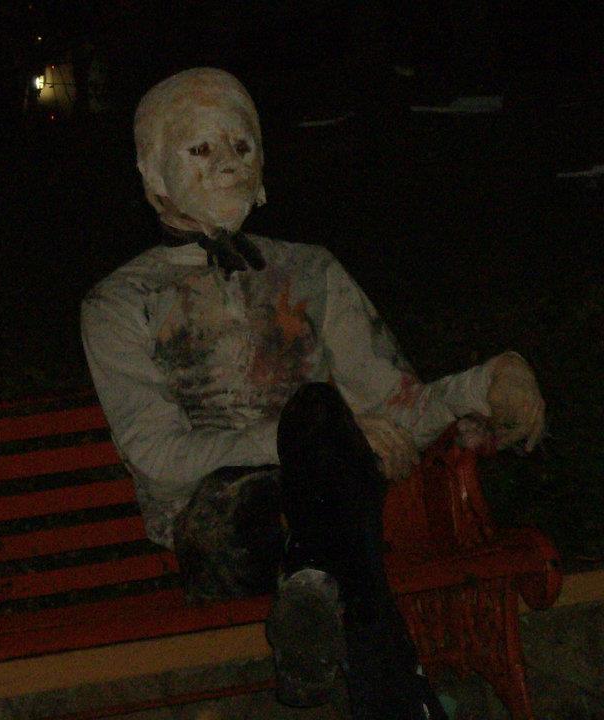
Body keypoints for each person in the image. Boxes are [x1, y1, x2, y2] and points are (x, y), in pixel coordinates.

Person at [80, 68, 544, 719]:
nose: (227, 163)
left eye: (242, 145)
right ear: (153, 174)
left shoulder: (311, 270)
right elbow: (158, 456)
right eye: (200, 148)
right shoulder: (120, 302)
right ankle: (367, 652)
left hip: (332, 513)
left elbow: (396, 408)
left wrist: (488, 380)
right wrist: (305, 438)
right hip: (225, 532)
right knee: (321, 421)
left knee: (329, 469)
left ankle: (316, 594)